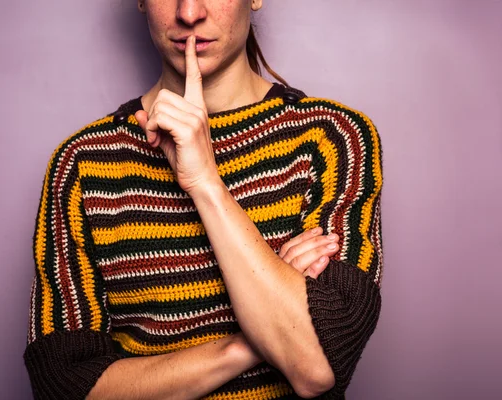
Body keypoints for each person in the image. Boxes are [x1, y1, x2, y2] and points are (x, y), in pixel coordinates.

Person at [22, 1, 384, 399]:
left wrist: (204, 181)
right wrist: (255, 338)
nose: (190, 12)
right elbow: (65, 387)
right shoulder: (84, 162)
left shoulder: (332, 138)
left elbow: (315, 369)